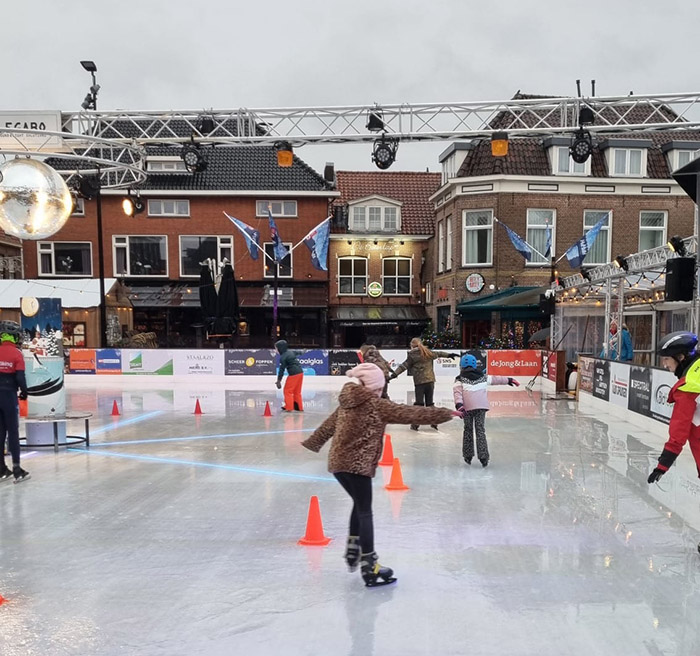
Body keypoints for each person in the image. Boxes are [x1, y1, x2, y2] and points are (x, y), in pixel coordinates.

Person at [302, 363, 458, 587]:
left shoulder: (347, 402)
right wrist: (444, 413)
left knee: (359, 504)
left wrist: (313, 442)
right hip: (357, 466)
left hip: (338, 465)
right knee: (365, 511)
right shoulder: (377, 405)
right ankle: (370, 565)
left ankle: (353, 549)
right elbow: (410, 413)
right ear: (377, 385)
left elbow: (328, 426)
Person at [647, 332, 700, 504]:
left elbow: (679, 433)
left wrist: (662, 466)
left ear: (681, 357)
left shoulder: (688, 388)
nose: (664, 364)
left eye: (666, 359)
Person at [453, 354, 520, 467]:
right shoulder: (483, 376)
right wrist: (509, 380)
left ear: (462, 366)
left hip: (467, 409)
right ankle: (484, 457)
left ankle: (468, 455)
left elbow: (457, 393)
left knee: (468, 430)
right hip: (481, 407)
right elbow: (496, 379)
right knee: (480, 430)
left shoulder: (459, 379)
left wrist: (459, 406)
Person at [389, 337, 458, 430]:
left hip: (420, 382)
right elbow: (439, 353)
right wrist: (449, 355)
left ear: (412, 346)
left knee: (419, 403)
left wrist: (393, 375)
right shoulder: (428, 352)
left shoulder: (412, 355)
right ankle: (434, 422)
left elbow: (403, 366)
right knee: (430, 403)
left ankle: (415, 424)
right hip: (430, 381)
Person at [0, 321, 29, 483]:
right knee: (13, 432)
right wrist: (24, 392)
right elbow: (20, 377)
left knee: (0, 432)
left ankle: (1, 468)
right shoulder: (16, 354)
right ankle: (17, 469)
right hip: (8, 396)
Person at [275, 339, 304, 412]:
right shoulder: (290, 352)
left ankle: (289, 407)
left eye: (276, 348)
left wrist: (279, 380)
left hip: (293, 374)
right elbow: (298, 352)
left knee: (287, 391)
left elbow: (281, 370)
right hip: (300, 373)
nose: (276, 350)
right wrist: (303, 351)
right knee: (297, 392)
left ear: (280, 348)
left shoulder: (283, 357)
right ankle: (299, 407)